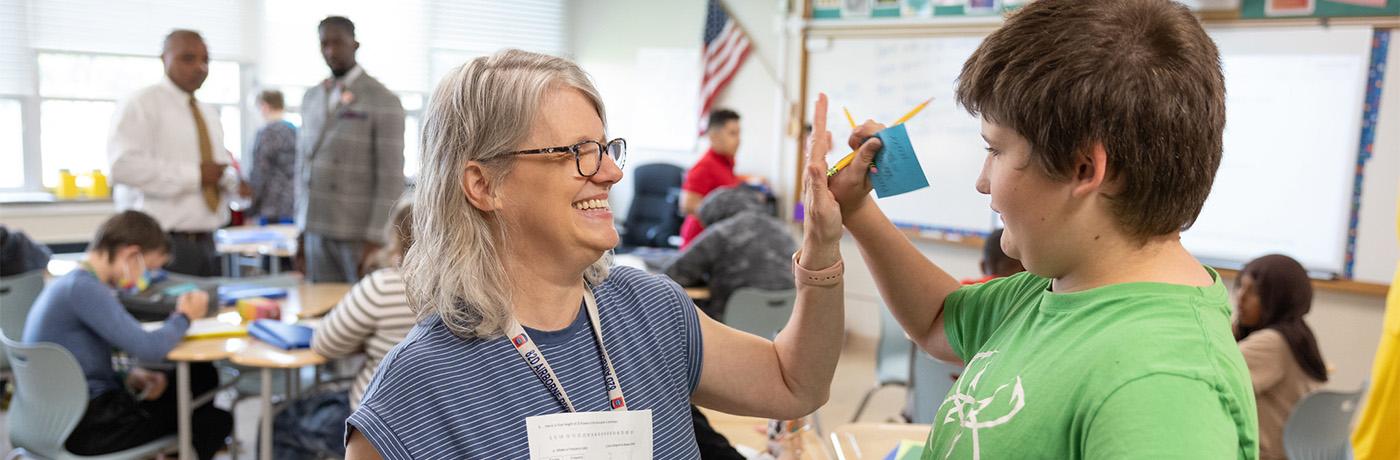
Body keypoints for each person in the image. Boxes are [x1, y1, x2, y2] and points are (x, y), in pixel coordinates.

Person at [343, 49, 845, 459]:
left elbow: (796, 382)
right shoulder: (412, 395)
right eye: (578, 152)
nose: (610, 173)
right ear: (483, 184)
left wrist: (821, 248)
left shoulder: (650, 310)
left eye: (606, 149)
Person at [814, 0, 1257, 457]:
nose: (983, 182)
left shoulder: (1163, 387)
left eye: (995, 150)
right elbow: (936, 321)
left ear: (1084, 168)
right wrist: (858, 211)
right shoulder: (1059, 286)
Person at [22, 210, 231, 460]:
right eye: (149, 268)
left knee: (200, 375)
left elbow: (80, 360)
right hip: (87, 428)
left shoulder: (70, 283)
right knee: (214, 420)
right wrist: (185, 317)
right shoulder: (85, 289)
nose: (146, 278)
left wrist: (131, 376)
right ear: (131, 255)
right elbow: (149, 348)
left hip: (57, 418)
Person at [273, 198, 417, 460]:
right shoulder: (473, 291)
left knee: (279, 422)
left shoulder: (384, 286)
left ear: (397, 237)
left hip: (375, 422)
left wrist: (364, 340)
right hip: (429, 426)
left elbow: (324, 343)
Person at [108, 30, 244, 277]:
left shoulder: (208, 114)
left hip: (209, 242)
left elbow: (217, 167)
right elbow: (123, 167)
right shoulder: (141, 103)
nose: (199, 67)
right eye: (188, 58)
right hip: (160, 246)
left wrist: (231, 180)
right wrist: (196, 175)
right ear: (164, 59)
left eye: (205, 60)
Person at [295, 16, 406, 283]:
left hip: (357, 234)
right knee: (318, 314)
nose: (331, 51)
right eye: (324, 44)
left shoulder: (383, 100)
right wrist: (300, 232)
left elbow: (391, 178)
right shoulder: (310, 97)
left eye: (338, 43)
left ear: (355, 45)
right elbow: (302, 169)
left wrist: (375, 237)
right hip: (314, 229)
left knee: (358, 316)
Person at [1233, 254, 1328, 460]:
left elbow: (1215, 368)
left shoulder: (1272, 342)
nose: (1240, 297)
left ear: (1277, 299)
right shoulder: (1298, 333)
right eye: (1241, 286)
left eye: (1253, 292)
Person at [664, 185, 798, 322]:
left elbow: (674, 274)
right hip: (781, 327)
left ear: (714, 215)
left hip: (732, 328)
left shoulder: (722, 232)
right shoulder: (783, 230)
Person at [680, 109, 742, 248]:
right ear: (714, 137)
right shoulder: (704, 167)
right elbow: (687, 204)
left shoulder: (726, 164)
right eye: (733, 134)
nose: (738, 140)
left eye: (738, 133)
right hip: (699, 245)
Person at [248, 89, 297, 224]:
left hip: (270, 209)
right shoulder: (296, 131)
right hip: (294, 207)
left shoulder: (266, 133)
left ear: (264, 107)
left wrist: (250, 209)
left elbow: (259, 173)